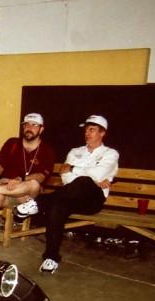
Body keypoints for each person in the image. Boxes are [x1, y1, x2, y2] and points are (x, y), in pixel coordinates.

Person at [36, 114, 119, 274]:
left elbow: (98, 172)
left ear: (102, 133)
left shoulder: (111, 153)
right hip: (70, 196)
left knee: (84, 181)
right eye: (86, 130)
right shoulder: (75, 151)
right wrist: (93, 176)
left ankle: (39, 201)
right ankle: (51, 258)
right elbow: (65, 177)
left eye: (92, 130)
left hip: (93, 200)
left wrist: (76, 170)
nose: (87, 133)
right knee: (57, 207)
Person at [0, 113, 55, 255]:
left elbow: (40, 177)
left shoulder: (47, 151)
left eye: (34, 125)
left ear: (41, 129)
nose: (29, 128)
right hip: (7, 191)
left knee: (33, 184)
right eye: (26, 124)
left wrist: (19, 179)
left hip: (27, 198)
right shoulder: (12, 144)